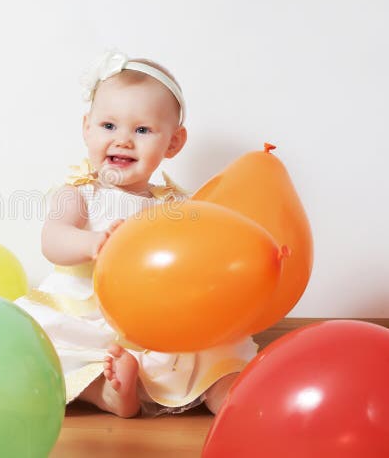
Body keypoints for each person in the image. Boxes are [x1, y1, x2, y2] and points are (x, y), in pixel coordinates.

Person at [15, 51, 257, 417]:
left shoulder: (175, 205)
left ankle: (226, 392)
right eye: (109, 126)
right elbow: (53, 239)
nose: (123, 140)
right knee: (51, 344)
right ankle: (107, 393)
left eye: (142, 130)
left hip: (154, 315)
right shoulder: (81, 192)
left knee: (209, 346)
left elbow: (196, 255)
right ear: (87, 128)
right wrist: (92, 242)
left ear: (173, 143)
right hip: (88, 312)